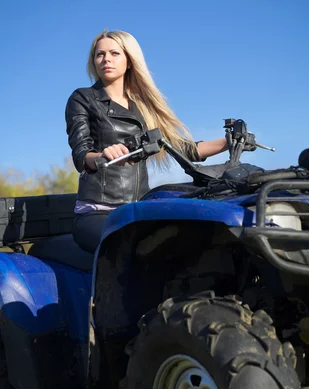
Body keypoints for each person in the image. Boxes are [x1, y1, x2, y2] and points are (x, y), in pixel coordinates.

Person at [66, 30, 228, 253]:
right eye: (100, 54)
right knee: (131, 250)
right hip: (97, 212)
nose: (106, 59)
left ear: (129, 60)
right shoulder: (83, 98)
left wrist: (229, 142)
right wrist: (102, 156)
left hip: (139, 208)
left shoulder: (144, 107)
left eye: (114, 53)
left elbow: (185, 149)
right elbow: (81, 154)